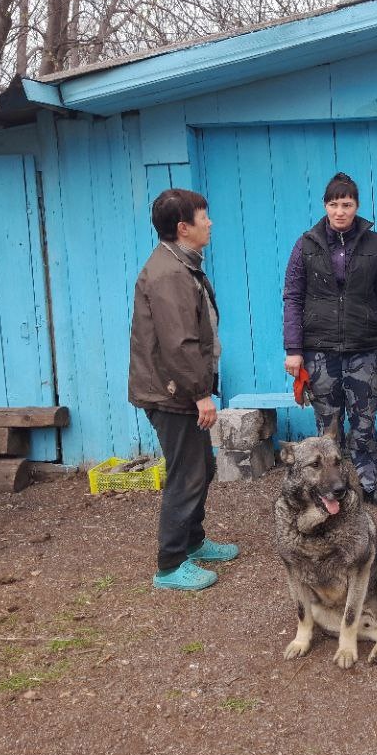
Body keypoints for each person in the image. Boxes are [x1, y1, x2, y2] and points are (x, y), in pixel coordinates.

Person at [128, 188, 238, 591]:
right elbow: (179, 343)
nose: (209, 223)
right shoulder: (169, 274)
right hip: (171, 392)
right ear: (183, 228)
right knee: (187, 474)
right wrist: (200, 394)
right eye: (203, 217)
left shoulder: (180, 263)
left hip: (176, 388)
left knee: (201, 467)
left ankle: (193, 542)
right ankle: (170, 565)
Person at [282, 172, 377, 510]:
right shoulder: (306, 244)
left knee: (364, 422)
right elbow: (292, 297)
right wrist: (293, 350)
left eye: (347, 204)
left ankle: (371, 485)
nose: (340, 211)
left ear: (357, 206)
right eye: (334, 204)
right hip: (319, 351)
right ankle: (329, 489)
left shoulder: (374, 244)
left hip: (366, 348)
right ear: (325, 206)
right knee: (328, 427)